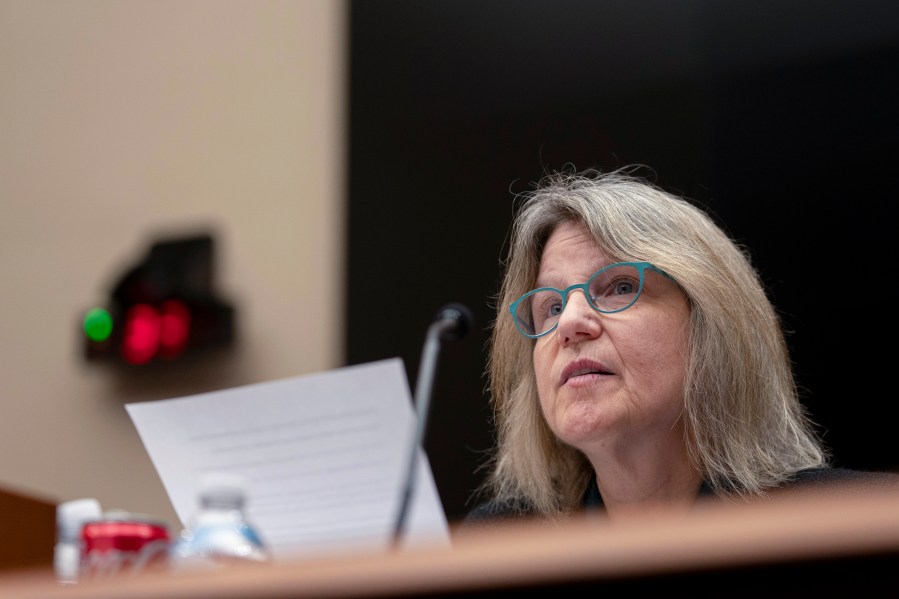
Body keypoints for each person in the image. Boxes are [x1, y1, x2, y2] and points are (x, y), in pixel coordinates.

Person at [465, 165, 899, 526]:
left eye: (619, 287)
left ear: (711, 325)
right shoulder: (498, 541)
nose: (571, 323)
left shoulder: (858, 521)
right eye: (551, 306)